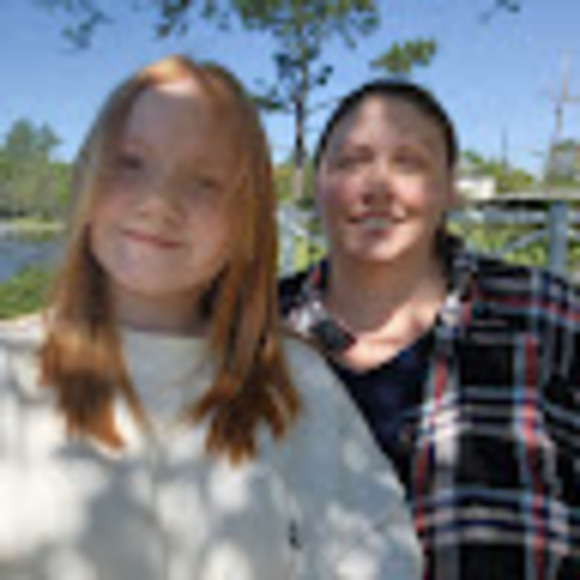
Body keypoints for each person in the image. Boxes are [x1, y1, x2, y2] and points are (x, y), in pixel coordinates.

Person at [0, 56, 423, 579]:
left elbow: (376, 551)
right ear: (88, 181)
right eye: (130, 163)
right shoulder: (12, 367)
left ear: (246, 222)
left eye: (205, 182)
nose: (159, 202)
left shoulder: (293, 383)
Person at [280, 79, 580, 579]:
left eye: (409, 163)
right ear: (318, 183)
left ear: (449, 188)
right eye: (352, 161)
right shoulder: (254, 331)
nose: (379, 186)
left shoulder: (542, 315)